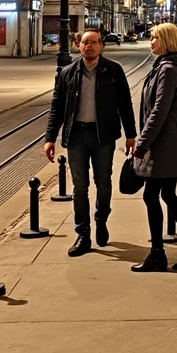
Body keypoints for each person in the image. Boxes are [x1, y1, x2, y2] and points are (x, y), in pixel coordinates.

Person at [44, 29, 136, 257]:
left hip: (102, 136)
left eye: (94, 42)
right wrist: (49, 138)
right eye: (85, 43)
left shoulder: (113, 71)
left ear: (101, 46)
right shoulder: (67, 73)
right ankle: (83, 233)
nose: (89, 46)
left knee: (103, 183)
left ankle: (101, 220)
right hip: (76, 136)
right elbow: (57, 107)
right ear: (78, 46)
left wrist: (131, 134)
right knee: (80, 188)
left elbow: (125, 104)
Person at [131, 23, 177, 272]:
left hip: (165, 141)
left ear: (167, 40)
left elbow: (159, 109)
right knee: (167, 194)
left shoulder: (168, 69)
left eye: (154, 38)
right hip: (170, 137)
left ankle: (158, 254)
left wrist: (142, 142)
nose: (150, 42)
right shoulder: (170, 66)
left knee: (152, 195)